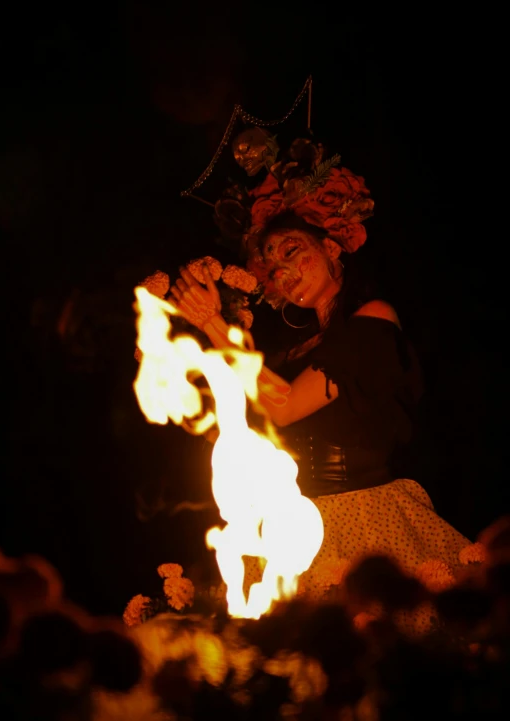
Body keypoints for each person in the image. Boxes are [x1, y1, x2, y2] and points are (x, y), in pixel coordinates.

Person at [168, 205, 479, 626]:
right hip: (293, 521)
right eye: (273, 267)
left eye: (292, 251)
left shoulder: (374, 317)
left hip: (364, 513)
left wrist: (213, 324)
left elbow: (286, 406)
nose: (283, 270)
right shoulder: (289, 354)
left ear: (332, 248)